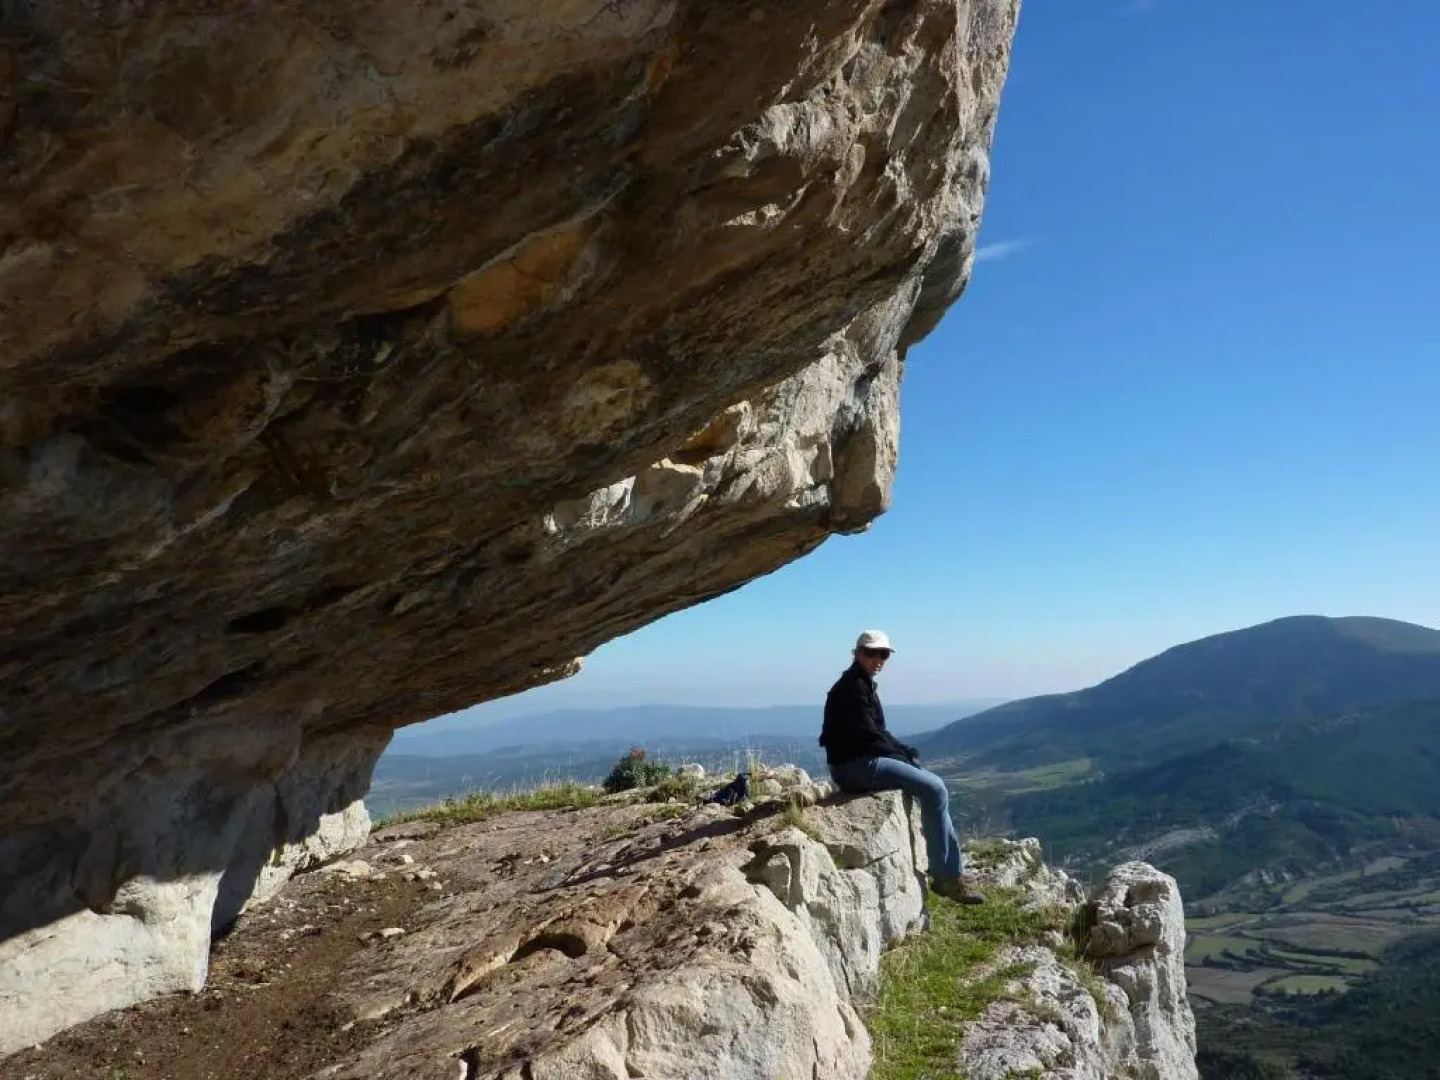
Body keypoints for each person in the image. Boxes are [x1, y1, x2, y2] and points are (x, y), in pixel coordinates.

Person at [820, 630, 984, 904]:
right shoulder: (852, 688)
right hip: (856, 767)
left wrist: (904, 753)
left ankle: (948, 873)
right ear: (857, 653)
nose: (878, 659)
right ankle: (947, 877)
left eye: (883, 654)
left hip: (857, 763)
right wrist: (901, 755)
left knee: (934, 787)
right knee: (935, 789)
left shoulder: (861, 684)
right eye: (871, 653)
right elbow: (869, 736)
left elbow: (878, 731)